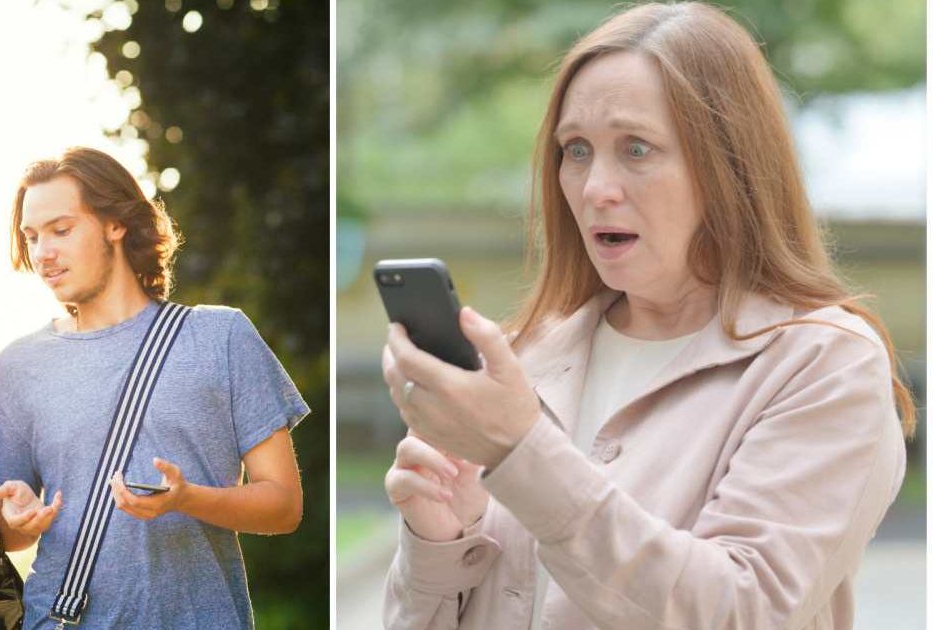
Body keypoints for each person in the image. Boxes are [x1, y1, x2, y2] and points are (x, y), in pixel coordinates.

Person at [379, 4, 913, 629]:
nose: (594, 186)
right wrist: (441, 539)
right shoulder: (526, 357)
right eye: (576, 150)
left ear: (729, 169)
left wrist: (520, 450)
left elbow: (743, 611)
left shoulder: (823, 364)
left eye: (636, 148)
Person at [0, 146, 309, 629]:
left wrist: (187, 499)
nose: (43, 253)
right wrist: (12, 518)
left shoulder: (220, 337)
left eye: (62, 230)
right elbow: (5, 531)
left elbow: (284, 506)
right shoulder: (17, 366)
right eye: (32, 237)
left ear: (116, 224)